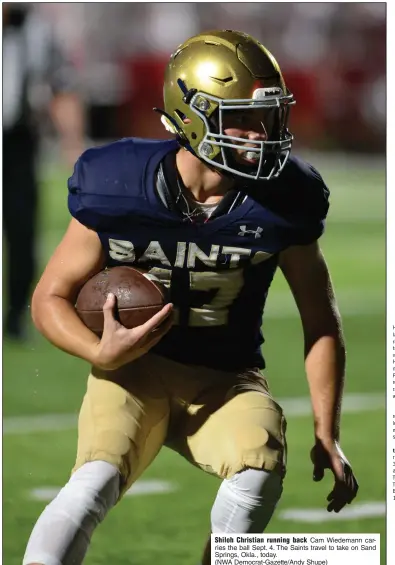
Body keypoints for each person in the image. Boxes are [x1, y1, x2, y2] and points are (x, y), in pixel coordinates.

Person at [22, 29, 358, 565]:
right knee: (92, 484)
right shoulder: (118, 184)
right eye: (242, 119)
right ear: (192, 117)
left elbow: (320, 320)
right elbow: (50, 297)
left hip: (226, 379)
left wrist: (328, 430)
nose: (261, 134)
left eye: (269, 117)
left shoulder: (285, 198)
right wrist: (99, 353)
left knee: (258, 470)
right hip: (133, 370)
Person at [3, 3, 85, 340]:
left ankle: (16, 319)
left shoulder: (38, 31)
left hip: (19, 143)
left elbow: (62, 87)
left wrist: (72, 142)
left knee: (23, 231)